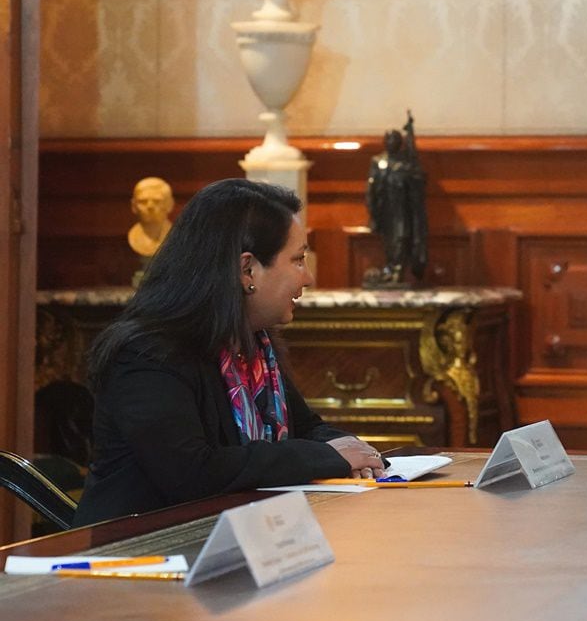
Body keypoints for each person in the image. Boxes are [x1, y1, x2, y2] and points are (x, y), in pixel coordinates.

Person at [73, 179, 385, 526]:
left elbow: (307, 428)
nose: (308, 277)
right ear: (246, 269)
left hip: (236, 542)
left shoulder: (254, 345)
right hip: (135, 556)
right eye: (297, 260)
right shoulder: (147, 354)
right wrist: (327, 456)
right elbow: (192, 473)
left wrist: (354, 450)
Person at [365, 111, 428, 285]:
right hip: (385, 210)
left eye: (394, 138)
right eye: (388, 138)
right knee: (389, 241)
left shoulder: (405, 163)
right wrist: (373, 213)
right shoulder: (378, 161)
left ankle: (397, 270)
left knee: (402, 238)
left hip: (402, 210)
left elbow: (417, 179)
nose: (391, 141)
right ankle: (391, 268)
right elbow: (372, 189)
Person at [126, 176, 175, 257]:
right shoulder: (130, 240)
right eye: (143, 201)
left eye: (157, 201)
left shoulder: (177, 238)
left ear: (170, 204)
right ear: (134, 206)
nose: (150, 206)